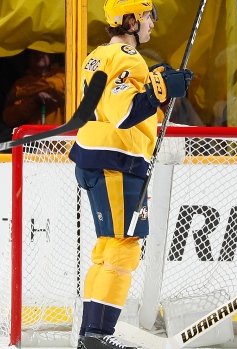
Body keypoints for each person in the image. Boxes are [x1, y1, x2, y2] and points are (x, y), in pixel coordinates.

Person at [68, 1, 193, 349]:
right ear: (131, 20)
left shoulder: (97, 54)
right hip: (116, 161)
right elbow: (122, 114)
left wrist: (156, 85)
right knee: (123, 248)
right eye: (148, 15)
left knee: (109, 247)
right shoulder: (127, 57)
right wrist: (159, 91)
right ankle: (98, 335)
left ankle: (90, 335)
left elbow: (112, 102)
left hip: (99, 157)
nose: (152, 22)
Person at [2, 49, 66, 127]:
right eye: (33, 53)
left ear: (52, 56)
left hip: (62, 136)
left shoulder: (63, 72)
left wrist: (19, 93)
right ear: (28, 58)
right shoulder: (20, 84)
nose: (38, 55)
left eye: (42, 52)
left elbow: (54, 84)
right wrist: (34, 100)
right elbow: (9, 119)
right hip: (33, 137)